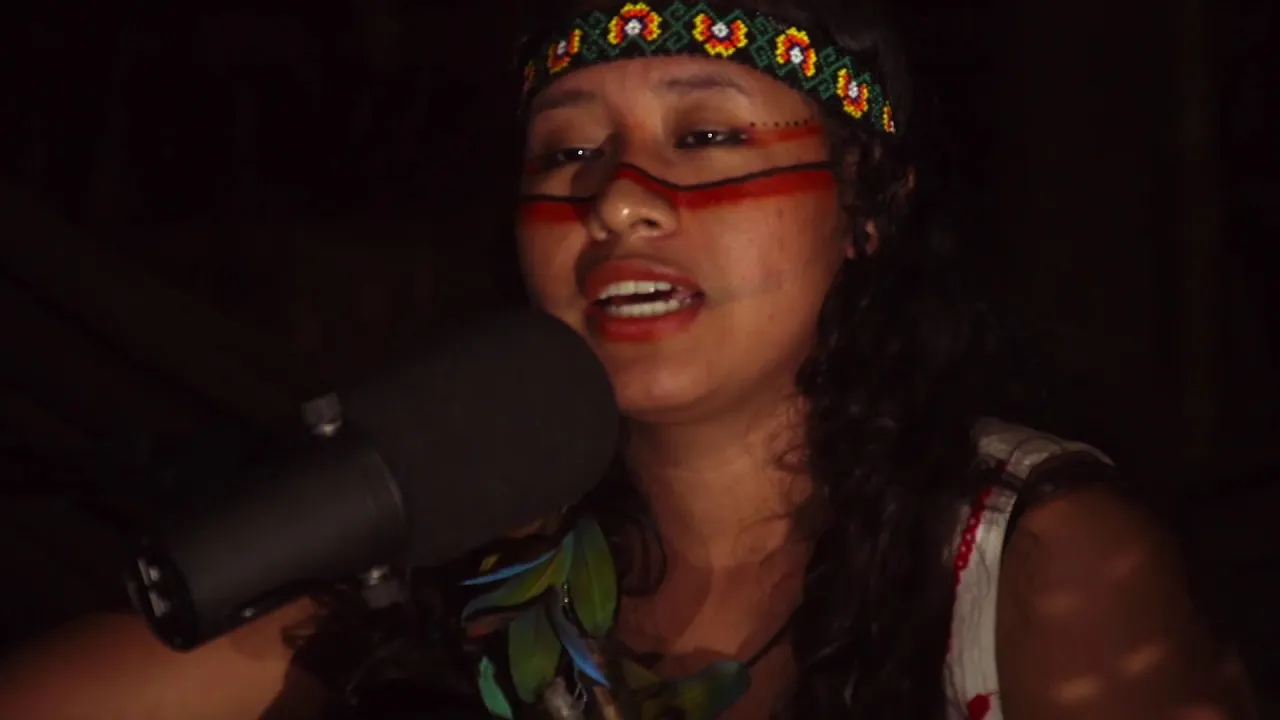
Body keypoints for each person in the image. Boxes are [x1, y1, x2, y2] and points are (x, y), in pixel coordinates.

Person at [0, 1, 1257, 718]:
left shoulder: (1035, 559)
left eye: (704, 135)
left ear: (866, 208)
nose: (613, 202)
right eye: (565, 152)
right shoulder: (459, 543)